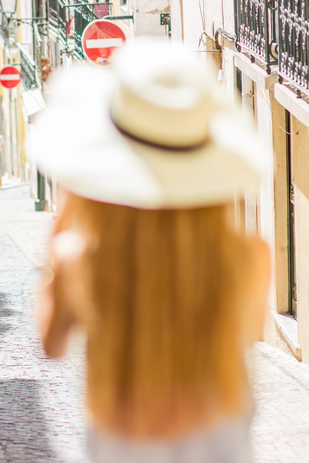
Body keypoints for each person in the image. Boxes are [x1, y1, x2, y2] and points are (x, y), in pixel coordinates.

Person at [30, 39, 269, 463]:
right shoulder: (249, 256)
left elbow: (52, 344)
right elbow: (247, 334)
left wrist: (64, 223)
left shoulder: (78, 258)